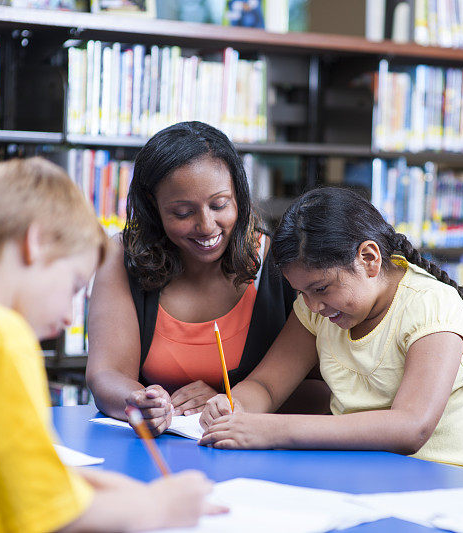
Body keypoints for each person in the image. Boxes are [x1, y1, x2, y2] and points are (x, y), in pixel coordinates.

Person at [0, 158, 222, 532]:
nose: (71, 319)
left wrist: (116, 491)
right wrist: (157, 507)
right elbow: (48, 519)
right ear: (34, 243)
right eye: (74, 286)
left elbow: (5, 472)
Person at [199, 186, 463, 468]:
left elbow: (411, 427)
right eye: (301, 292)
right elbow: (266, 385)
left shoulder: (430, 305)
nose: (312, 306)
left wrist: (272, 430)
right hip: (367, 475)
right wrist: (236, 405)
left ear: (369, 259)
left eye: (321, 288)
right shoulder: (319, 310)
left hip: (457, 483)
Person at [86, 121, 327, 437]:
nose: (206, 225)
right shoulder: (122, 256)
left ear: (238, 195)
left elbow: (326, 392)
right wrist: (139, 402)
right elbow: (106, 375)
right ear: (152, 206)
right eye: (183, 213)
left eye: (220, 204)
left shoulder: (280, 264)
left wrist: (226, 400)